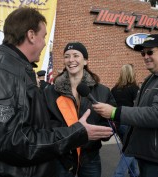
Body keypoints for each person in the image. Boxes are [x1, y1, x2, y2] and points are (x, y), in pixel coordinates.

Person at [0, 7, 113, 177]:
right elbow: (13, 143)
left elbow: (33, 127)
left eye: (76, 56)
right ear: (31, 35)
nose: (44, 43)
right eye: (43, 36)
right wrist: (76, 132)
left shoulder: (17, 69)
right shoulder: (2, 72)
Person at [43, 42, 116, 177]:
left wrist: (103, 132)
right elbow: (45, 124)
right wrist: (72, 132)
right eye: (67, 56)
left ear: (85, 61)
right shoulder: (50, 92)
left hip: (90, 157)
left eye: (76, 55)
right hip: (62, 157)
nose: (71, 60)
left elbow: (111, 123)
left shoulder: (103, 91)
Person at [92, 34, 158, 177]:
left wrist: (115, 113)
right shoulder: (149, 79)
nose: (145, 56)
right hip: (145, 153)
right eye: (143, 53)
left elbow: (155, 114)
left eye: (150, 52)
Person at [111, 64, 139, 177]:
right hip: (130, 124)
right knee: (130, 150)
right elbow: (138, 108)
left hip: (118, 124)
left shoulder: (114, 89)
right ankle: (118, 174)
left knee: (130, 149)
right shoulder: (134, 89)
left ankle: (135, 173)